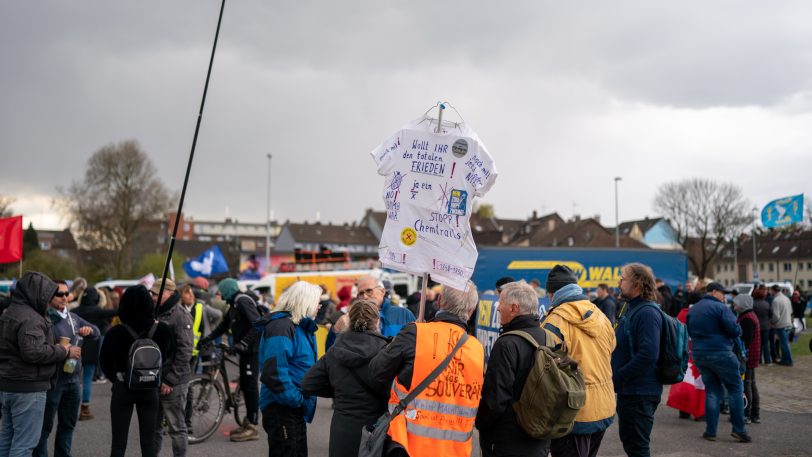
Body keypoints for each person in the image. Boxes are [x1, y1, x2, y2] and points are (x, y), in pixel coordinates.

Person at [369, 281, 484, 457]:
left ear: (439, 301)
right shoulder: (477, 349)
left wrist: (398, 341)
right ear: (472, 309)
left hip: (408, 445)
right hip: (456, 451)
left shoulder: (415, 333)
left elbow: (376, 371)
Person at [538, 266, 616, 457]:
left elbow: (544, 368)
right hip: (604, 405)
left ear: (552, 293)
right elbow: (612, 347)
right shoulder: (600, 315)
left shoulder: (554, 321)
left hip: (573, 411)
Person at [0, 272, 80, 457]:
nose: (50, 298)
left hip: (9, 384)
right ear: (37, 293)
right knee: (24, 444)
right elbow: (33, 352)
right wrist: (64, 351)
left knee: (8, 439)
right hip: (27, 386)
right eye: (48, 293)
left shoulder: (9, 312)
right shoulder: (31, 318)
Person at [301, 299, 390, 457]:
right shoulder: (386, 352)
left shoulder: (336, 349)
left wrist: (340, 389)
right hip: (375, 426)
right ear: (377, 322)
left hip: (342, 427)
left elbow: (308, 383)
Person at [475, 281, 550, 456]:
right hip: (539, 437)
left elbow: (495, 400)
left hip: (507, 442)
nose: (498, 308)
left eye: (501, 302)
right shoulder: (549, 338)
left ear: (514, 308)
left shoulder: (507, 344)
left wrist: (480, 424)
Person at [100, 285, 174, 457]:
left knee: (118, 443)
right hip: (150, 389)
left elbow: (104, 361)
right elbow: (170, 357)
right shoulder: (162, 330)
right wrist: (158, 377)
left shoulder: (116, 332)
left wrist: (117, 378)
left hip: (123, 388)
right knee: (148, 443)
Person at [35, 280, 100, 457]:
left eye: (66, 293)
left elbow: (96, 332)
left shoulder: (72, 317)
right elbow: (38, 350)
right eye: (60, 294)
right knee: (44, 428)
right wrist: (64, 351)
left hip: (73, 381)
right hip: (52, 382)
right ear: (49, 296)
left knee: (67, 426)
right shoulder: (43, 318)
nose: (65, 297)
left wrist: (89, 330)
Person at [256, 281, 320, 457]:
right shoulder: (282, 326)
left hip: (291, 406)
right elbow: (274, 372)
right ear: (305, 302)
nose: (319, 306)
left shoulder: (298, 326)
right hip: (283, 406)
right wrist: (295, 399)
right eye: (317, 302)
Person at [198, 278, 262, 441]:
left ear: (228, 290)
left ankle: (253, 426)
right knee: (246, 385)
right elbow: (223, 326)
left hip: (252, 350)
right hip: (244, 351)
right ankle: (247, 421)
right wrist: (207, 339)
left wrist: (243, 343)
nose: (219, 295)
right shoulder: (233, 305)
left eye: (221, 291)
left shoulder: (242, 302)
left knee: (250, 386)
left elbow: (258, 324)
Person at [686, 282, 750, 443]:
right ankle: (739, 430)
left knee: (712, 392)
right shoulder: (721, 308)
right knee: (735, 389)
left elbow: (690, 330)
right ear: (714, 292)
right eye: (723, 293)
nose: (725, 296)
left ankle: (711, 431)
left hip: (700, 354)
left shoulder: (694, 309)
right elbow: (734, 330)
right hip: (721, 353)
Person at [611, 263, 663, 457]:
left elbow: (648, 355)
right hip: (631, 391)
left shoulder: (647, 313)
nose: (619, 282)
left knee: (637, 448)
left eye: (623, 278)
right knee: (632, 444)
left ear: (637, 283)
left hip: (640, 392)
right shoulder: (632, 308)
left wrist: (619, 376)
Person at [151, 279, 193, 457]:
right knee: (154, 427)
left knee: (176, 428)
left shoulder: (180, 315)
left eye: (155, 293)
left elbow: (185, 351)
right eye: (152, 293)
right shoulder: (156, 312)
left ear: (168, 292)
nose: (152, 297)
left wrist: (170, 380)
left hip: (173, 382)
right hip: (154, 378)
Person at [71, 287, 118, 420]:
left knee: (73, 380)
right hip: (91, 351)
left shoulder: (74, 311)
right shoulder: (97, 311)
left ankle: (69, 407)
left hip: (73, 349)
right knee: (86, 379)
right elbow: (115, 312)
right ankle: (84, 409)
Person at [732, 294, 761, 424]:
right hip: (752, 355)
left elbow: (745, 340)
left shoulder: (747, 318)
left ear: (743, 304)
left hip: (747, 357)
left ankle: (747, 414)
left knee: (746, 384)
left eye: (736, 303)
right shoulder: (749, 315)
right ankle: (755, 414)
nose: (734, 305)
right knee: (751, 383)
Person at [769, 284, 793, 366]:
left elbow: (776, 315)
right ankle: (785, 359)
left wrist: (772, 322)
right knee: (786, 343)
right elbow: (790, 311)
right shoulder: (786, 298)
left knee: (784, 344)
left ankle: (788, 361)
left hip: (781, 324)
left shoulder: (776, 300)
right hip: (788, 323)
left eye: (770, 290)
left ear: (773, 290)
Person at [751, 287, 771, 365]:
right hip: (766, 326)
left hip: (757, 326)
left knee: (757, 344)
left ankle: (758, 360)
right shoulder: (767, 303)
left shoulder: (753, 304)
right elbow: (770, 314)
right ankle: (767, 360)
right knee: (766, 343)